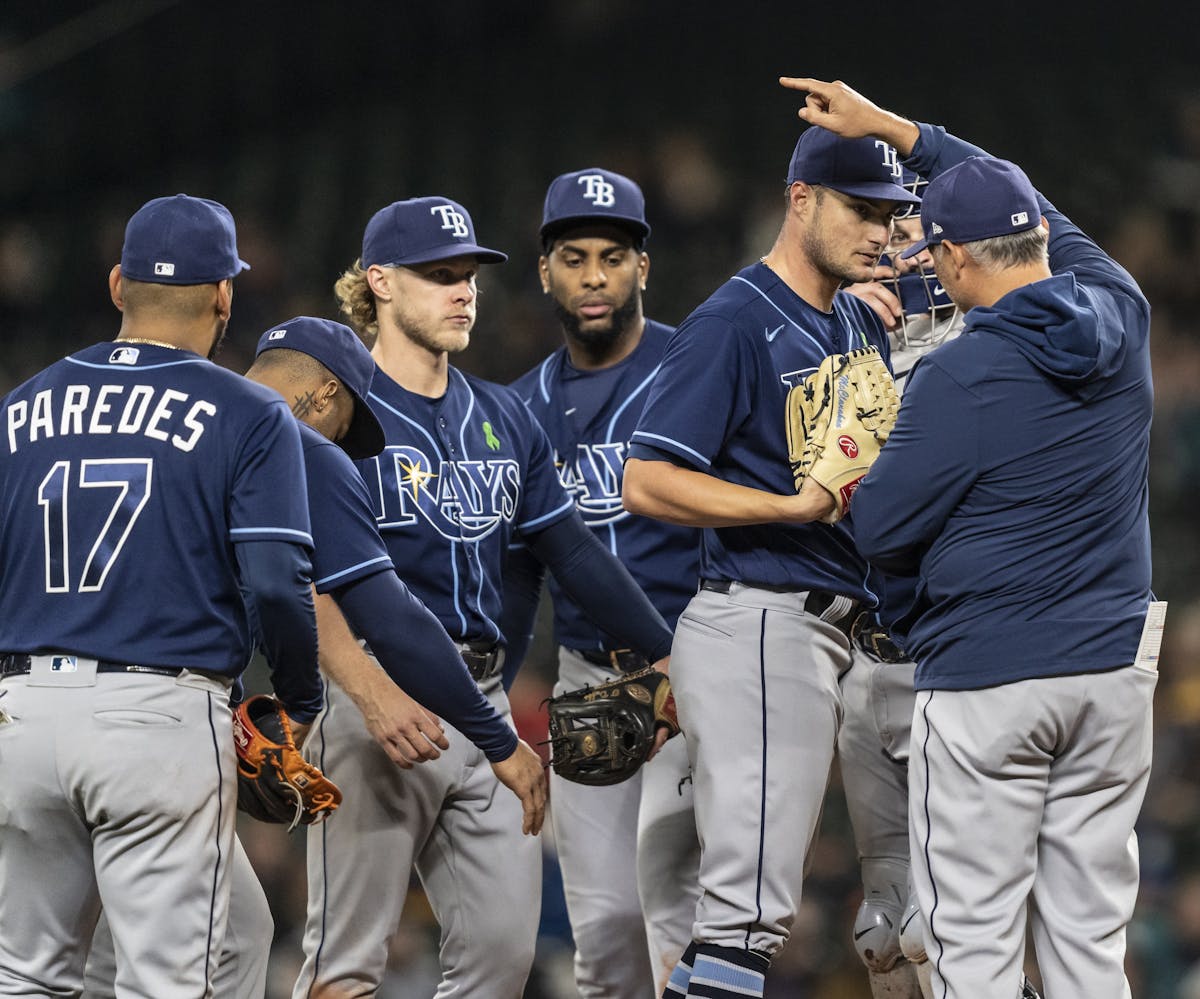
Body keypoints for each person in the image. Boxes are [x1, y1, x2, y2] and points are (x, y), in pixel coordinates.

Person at [784, 76, 1156, 999]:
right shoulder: (1122, 307)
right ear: (1035, 236)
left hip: (990, 681)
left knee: (974, 948)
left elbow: (881, 524)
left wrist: (857, 453)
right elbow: (1041, 213)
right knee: (1088, 944)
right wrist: (909, 134)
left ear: (950, 256)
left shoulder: (959, 374)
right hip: (1111, 677)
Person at [82, 314, 547, 999]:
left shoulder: (151, 422)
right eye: (346, 425)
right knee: (178, 963)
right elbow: (336, 599)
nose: (342, 445)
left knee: (95, 952)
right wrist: (305, 700)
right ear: (325, 395)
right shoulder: (284, 440)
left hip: (38, 704)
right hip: (153, 715)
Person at [295, 196, 675, 998]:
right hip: (379, 703)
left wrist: (664, 648)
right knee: (346, 964)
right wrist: (362, 691)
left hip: (483, 698)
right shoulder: (334, 412)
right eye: (439, 275)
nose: (463, 291)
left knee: (502, 962)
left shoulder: (500, 413)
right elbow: (305, 576)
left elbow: (570, 549)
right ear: (380, 284)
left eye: (468, 274)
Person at [0, 194, 322, 998]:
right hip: (156, 719)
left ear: (117, 286)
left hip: (23, 713)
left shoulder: (19, 406)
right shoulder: (248, 411)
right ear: (224, 294)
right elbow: (279, 582)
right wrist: (300, 694)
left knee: (24, 976)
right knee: (167, 983)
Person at [622, 131, 919, 998]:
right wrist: (783, 506)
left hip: (846, 631)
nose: (877, 231)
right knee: (746, 920)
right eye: (859, 209)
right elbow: (647, 477)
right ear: (800, 199)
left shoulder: (856, 314)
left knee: (907, 915)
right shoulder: (732, 320)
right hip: (762, 615)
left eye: (888, 215)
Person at [505, 167, 702, 996]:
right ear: (546, 270)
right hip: (590, 676)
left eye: (614, 256)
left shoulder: (699, 366)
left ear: (642, 268)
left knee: (677, 906)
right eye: (575, 256)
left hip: (695, 668)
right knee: (604, 929)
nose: (595, 276)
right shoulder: (519, 409)